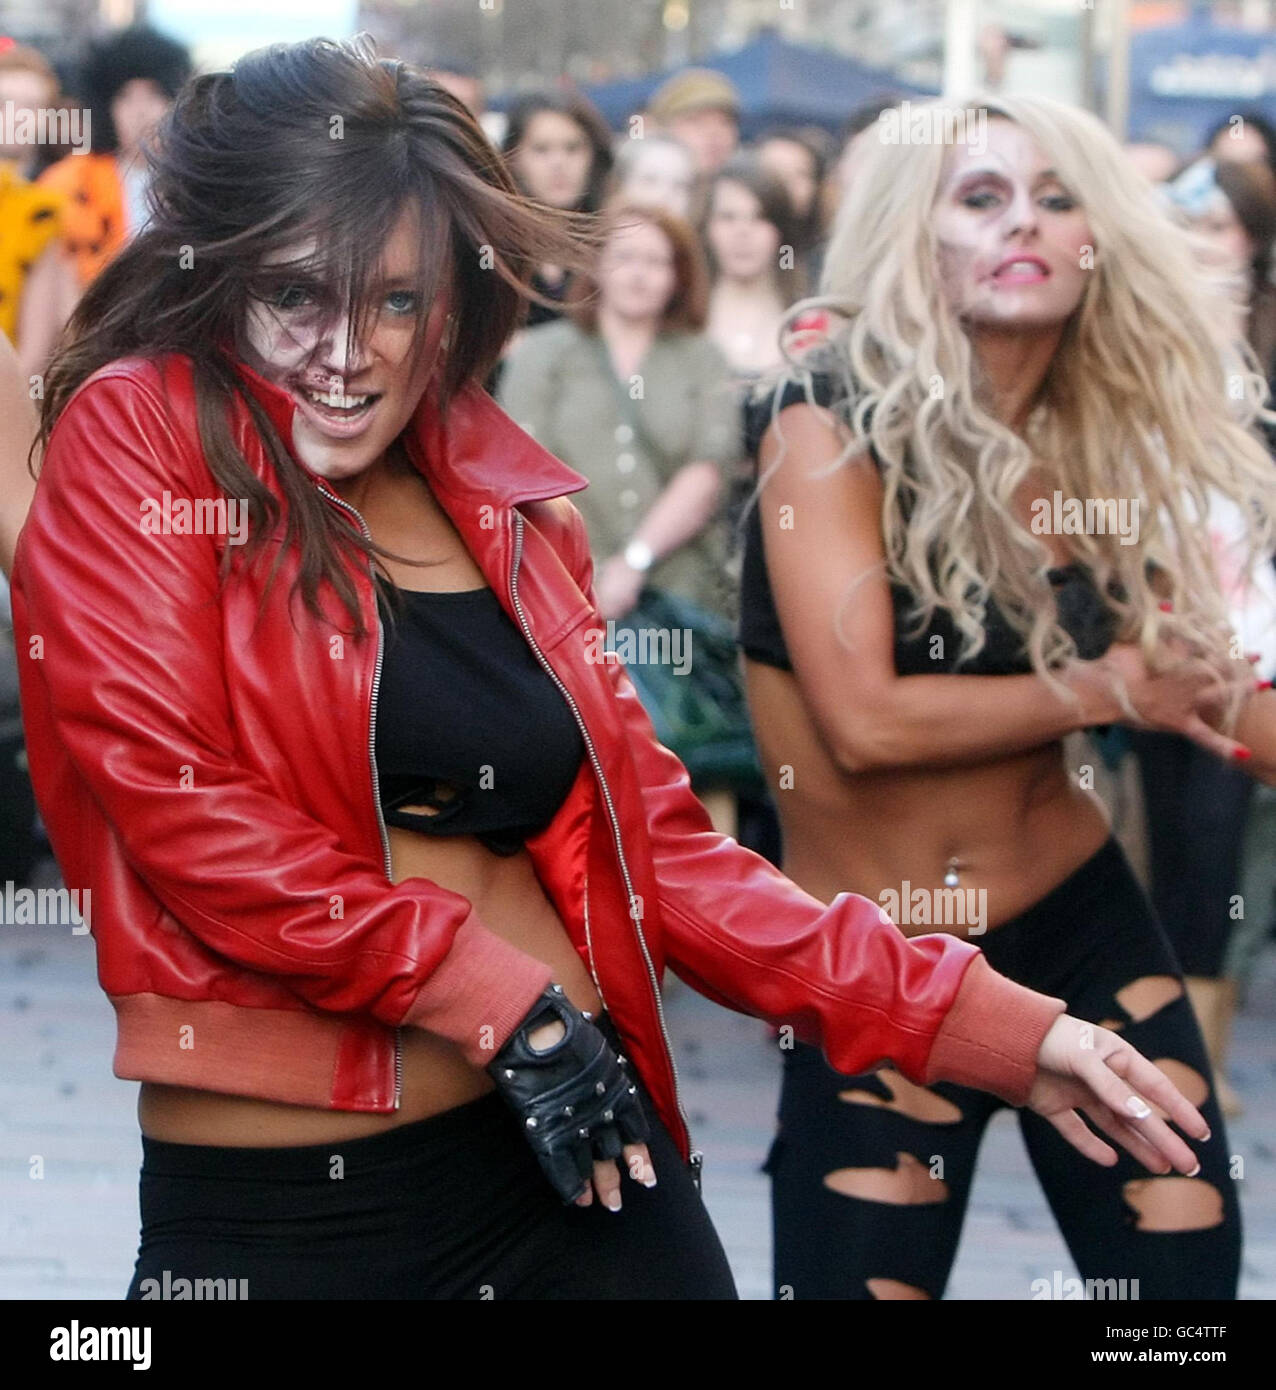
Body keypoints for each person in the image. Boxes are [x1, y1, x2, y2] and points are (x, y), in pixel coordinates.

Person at [13, 42, 1210, 1302]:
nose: (347, 351)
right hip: (291, 1218)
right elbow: (175, 801)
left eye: (399, 302)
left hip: (581, 1164)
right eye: (298, 296)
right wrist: (495, 994)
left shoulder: (515, 505)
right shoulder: (147, 429)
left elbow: (669, 864)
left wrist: (1002, 1030)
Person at [738, 92, 1276, 1300]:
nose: (1020, 222)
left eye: (1054, 197)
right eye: (979, 197)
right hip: (879, 958)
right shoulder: (819, 426)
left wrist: (1157, 689)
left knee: (1181, 1296)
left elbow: (1203, 692)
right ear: (908, 234)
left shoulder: (1105, 446)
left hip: (1080, 927)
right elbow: (865, 721)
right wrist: (1105, 687)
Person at [1126, 153, 1276, 1117]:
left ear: (1254, 242)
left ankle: (1205, 1070)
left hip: (1261, 633)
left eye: (1221, 228)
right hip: (1164, 637)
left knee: (1225, 863)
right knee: (1179, 850)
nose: (1206, 247)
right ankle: (1184, 1071)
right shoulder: (1140, 357)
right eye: (1188, 228)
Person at [38, 24, 190, 289]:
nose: (140, 111)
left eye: (154, 94)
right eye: (124, 97)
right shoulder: (66, 182)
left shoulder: (199, 183)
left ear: (176, 100)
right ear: (105, 106)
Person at [0, 43, 77, 378]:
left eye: (30, 107)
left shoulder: (47, 208)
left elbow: (36, 351)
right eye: (4, 103)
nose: (16, 117)